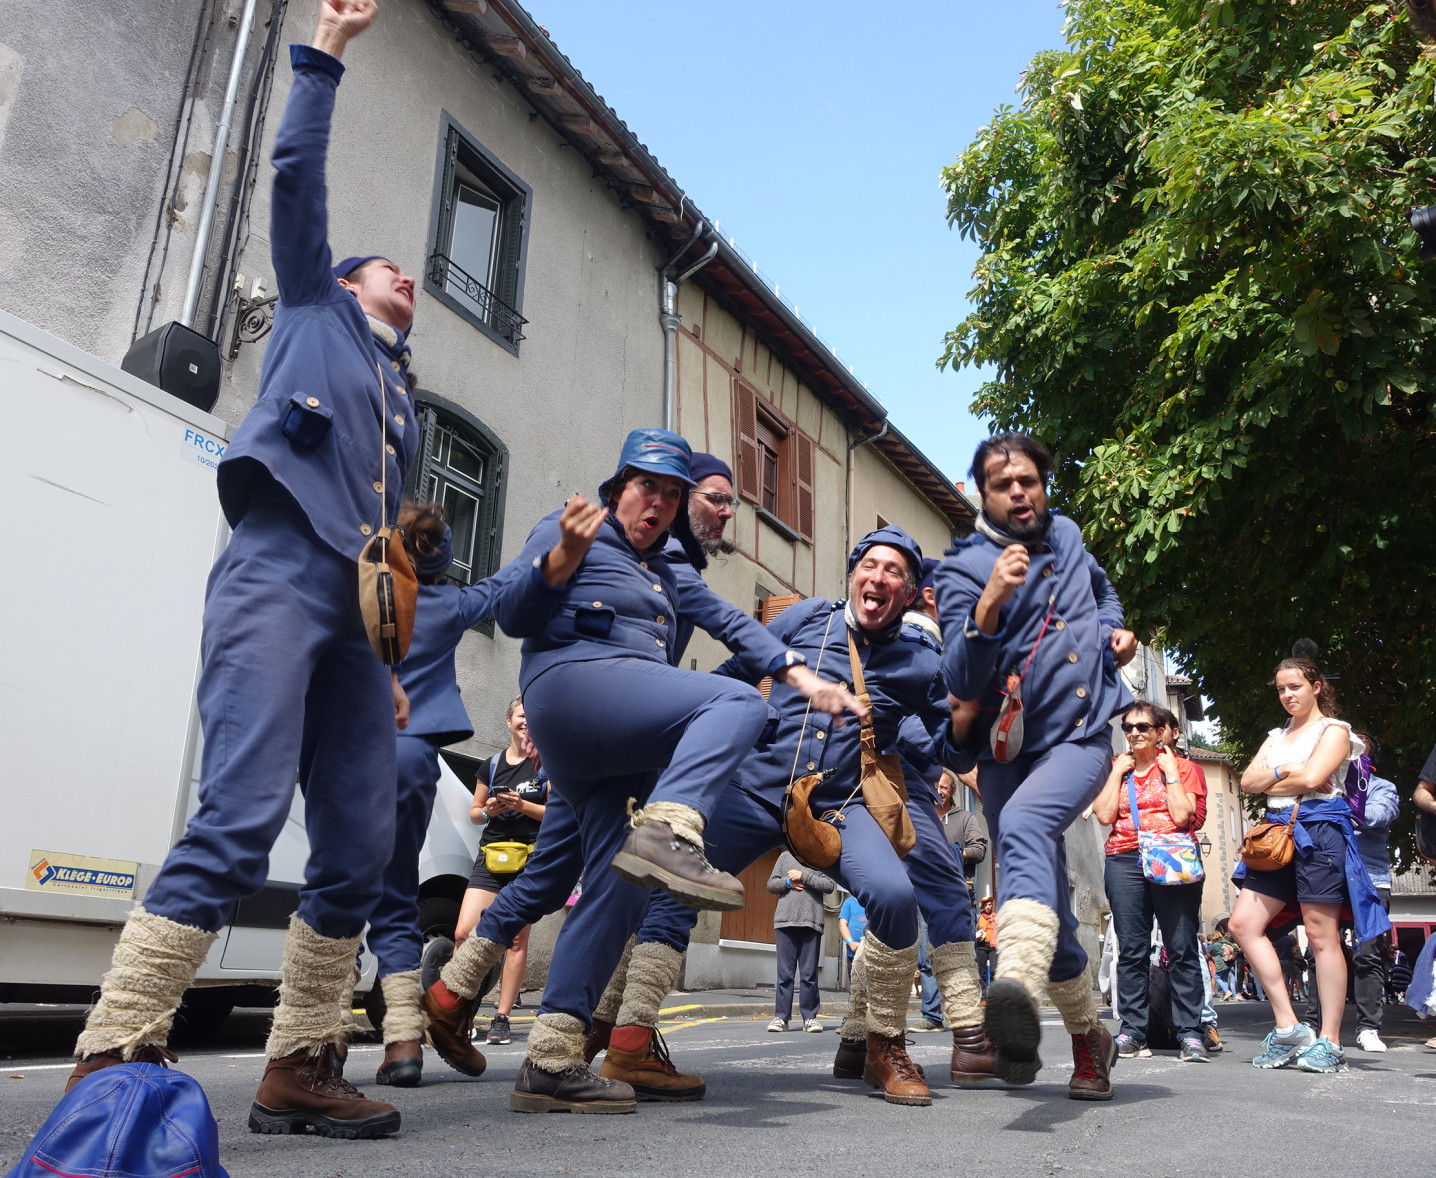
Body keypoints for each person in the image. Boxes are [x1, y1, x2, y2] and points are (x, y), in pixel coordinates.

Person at [63, 0, 417, 1139]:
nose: (404, 280)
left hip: (361, 623)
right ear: (347, 280)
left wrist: (398, 644)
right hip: (276, 565)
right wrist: (327, 47)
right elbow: (293, 175)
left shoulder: (401, 405)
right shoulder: (314, 307)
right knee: (242, 812)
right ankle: (113, 1050)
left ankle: (299, 1062)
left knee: (361, 842)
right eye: (390, 270)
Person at [424, 431, 860, 1112]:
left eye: (672, 492)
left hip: (623, 735)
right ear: (617, 486)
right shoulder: (576, 527)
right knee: (738, 705)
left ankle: (551, 1057)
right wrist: (560, 558)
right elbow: (510, 608)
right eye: (647, 486)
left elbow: (731, 626)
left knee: (617, 882)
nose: (658, 502)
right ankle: (671, 828)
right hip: (574, 690)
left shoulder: (672, 570)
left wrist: (801, 675)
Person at [590, 527, 991, 1108]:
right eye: (870, 565)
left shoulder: (922, 661)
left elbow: (948, 751)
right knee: (671, 887)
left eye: (895, 573)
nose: (879, 577)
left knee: (896, 897)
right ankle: (628, 1044)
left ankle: (882, 1046)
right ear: (853, 574)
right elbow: (732, 674)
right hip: (757, 788)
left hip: (842, 806)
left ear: (909, 594)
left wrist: (971, 718)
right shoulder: (805, 617)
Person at [935, 433, 1136, 1101]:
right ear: (983, 495)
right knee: (1045, 900)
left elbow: (1105, 595)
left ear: (1043, 484)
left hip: (1079, 736)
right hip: (1005, 749)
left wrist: (1115, 636)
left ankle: (1014, 985)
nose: (1018, 491)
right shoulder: (961, 568)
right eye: (1002, 483)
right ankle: (1089, 1040)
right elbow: (959, 677)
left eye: (1029, 480)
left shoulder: (1072, 537)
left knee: (1021, 823)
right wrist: (990, 600)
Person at [360, 503, 512, 1087]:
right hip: (412, 755)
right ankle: (402, 1041)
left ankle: (306, 1046)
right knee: (399, 898)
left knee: (333, 890)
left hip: (348, 745)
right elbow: (506, 582)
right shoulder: (447, 607)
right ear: (444, 561)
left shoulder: (357, 594)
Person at [1229, 655, 1390, 1075]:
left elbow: (1315, 775)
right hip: (1278, 832)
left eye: (1295, 687)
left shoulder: (1335, 731)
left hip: (1321, 831)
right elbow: (1247, 782)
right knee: (1243, 924)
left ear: (1316, 687)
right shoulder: (1275, 735)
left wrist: (1281, 776)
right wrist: (1289, 767)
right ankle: (1288, 1027)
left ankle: (1330, 1041)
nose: (1287, 695)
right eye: (1281, 689)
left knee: (1321, 936)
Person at [1091, 702, 1210, 1062]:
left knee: (1181, 946)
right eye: (1128, 727)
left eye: (1143, 727)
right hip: (1124, 858)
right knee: (1131, 949)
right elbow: (1104, 815)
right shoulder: (1117, 768)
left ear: (1161, 732)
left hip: (1171, 856)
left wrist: (1171, 772)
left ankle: (1190, 1033)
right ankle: (1133, 1031)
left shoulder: (1185, 768)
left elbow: (1181, 814)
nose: (1134, 733)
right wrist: (1116, 774)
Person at [456, 698, 548, 1047]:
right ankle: (461, 1009)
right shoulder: (491, 765)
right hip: (491, 856)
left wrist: (521, 804)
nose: (526, 722)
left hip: (529, 856)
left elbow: (555, 814)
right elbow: (474, 813)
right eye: (522, 716)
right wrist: (490, 810)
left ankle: (502, 1017)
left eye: (531, 716)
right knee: (464, 932)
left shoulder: (545, 765)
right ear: (509, 720)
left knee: (516, 940)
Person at [767, 852, 835, 1033]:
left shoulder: (820, 857)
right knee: (785, 975)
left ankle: (810, 1018)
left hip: (812, 922)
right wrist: (788, 882)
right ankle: (781, 1017)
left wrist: (803, 875)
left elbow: (829, 886)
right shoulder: (784, 857)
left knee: (808, 974)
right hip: (784, 921)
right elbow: (771, 885)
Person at [975, 896, 997, 995]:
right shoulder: (978, 917)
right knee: (981, 972)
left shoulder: (996, 917)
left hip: (993, 946)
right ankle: (983, 996)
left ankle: (993, 995)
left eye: (990, 905)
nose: (988, 907)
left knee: (994, 971)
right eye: (986, 905)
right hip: (981, 945)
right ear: (983, 907)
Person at [840, 894, 869, 966]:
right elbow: (842, 924)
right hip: (853, 952)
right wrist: (851, 942)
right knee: (854, 976)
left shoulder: (875, 903)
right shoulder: (849, 902)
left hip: (871, 953)